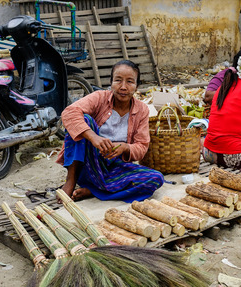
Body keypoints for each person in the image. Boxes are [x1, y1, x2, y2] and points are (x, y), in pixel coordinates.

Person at [56, 60, 164, 202]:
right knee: (84, 120)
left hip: (114, 168)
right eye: (118, 80)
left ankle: (94, 190)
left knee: (156, 179)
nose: (123, 87)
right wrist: (94, 138)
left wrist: (124, 148)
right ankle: (71, 180)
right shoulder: (100, 97)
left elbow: (142, 146)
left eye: (130, 82)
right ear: (111, 83)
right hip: (88, 163)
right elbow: (69, 113)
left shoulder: (142, 110)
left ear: (137, 86)